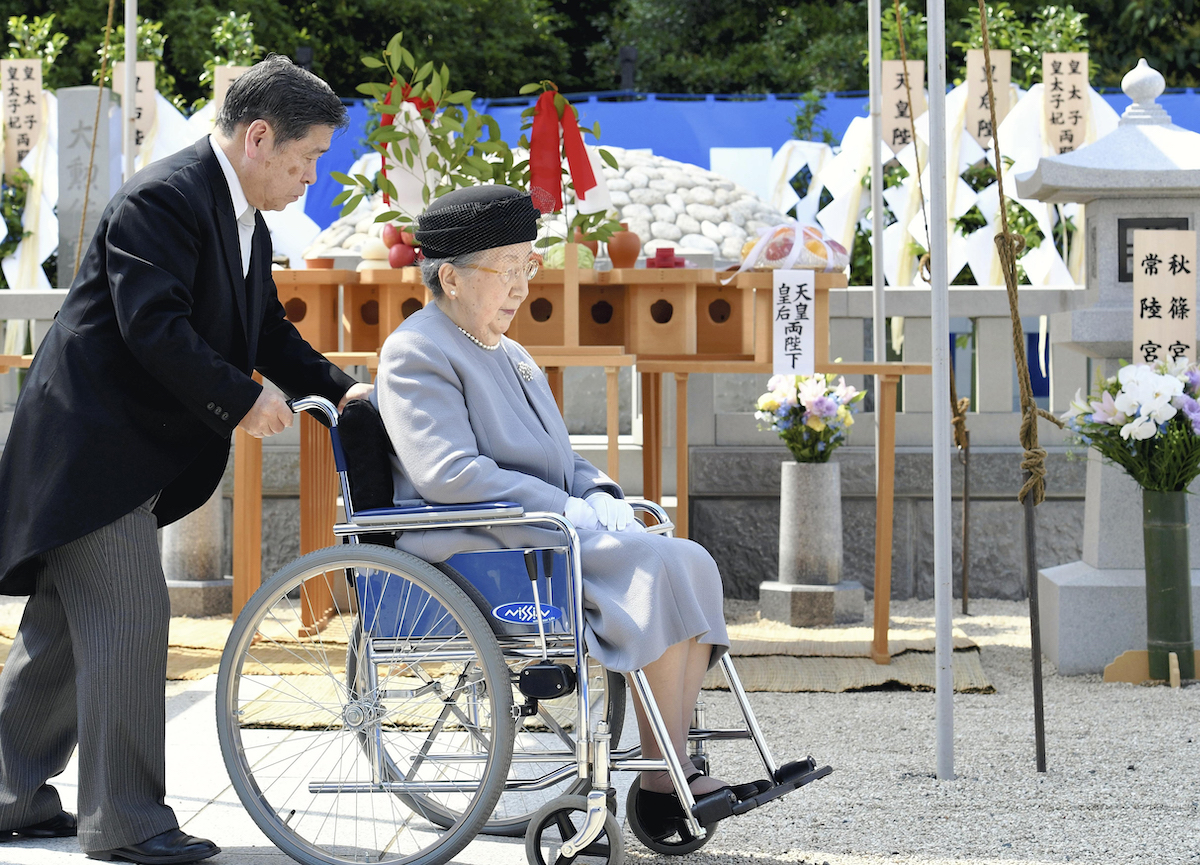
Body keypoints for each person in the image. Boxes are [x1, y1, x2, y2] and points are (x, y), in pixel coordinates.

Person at [0, 56, 371, 864]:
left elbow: (265, 331)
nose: (311, 177)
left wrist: (343, 393)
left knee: (66, 632)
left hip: (116, 452)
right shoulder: (161, 198)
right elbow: (153, 325)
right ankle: (126, 820)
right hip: (87, 452)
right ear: (260, 137)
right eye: (306, 158)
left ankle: (9, 795)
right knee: (131, 616)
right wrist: (241, 400)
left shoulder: (247, 221)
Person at [371, 184, 738, 825]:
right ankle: (664, 782)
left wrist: (596, 494)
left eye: (527, 266)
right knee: (653, 568)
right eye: (507, 269)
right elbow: (448, 473)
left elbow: (562, 459)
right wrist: (562, 508)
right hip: (469, 536)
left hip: (531, 527)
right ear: (450, 277)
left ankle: (666, 770)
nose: (521, 286)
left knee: (688, 560)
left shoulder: (509, 353)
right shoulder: (416, 350)